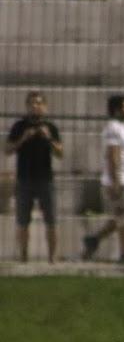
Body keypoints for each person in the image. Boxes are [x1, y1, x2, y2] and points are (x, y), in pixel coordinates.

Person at [5, 91, 62, 262]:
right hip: (24, 179)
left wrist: (49, 138)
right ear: (27, 106)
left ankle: (52, 258)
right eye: (31, 103)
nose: (35, 106)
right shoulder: (19, 126)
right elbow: (7, 150)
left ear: (44, 106)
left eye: (38, 103)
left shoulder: (51, 127)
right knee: (23, 221)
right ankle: (24, 256)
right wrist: (23, 139)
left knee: (51, 220)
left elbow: (60, 153)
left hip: (46, 179)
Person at [82, 95, 124, 264]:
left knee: (122, 216)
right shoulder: (114, 128)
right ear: (117, 110)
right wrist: (116, 180)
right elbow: (113, 155)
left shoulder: (122, 128)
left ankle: (94, 239)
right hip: (122, 179)